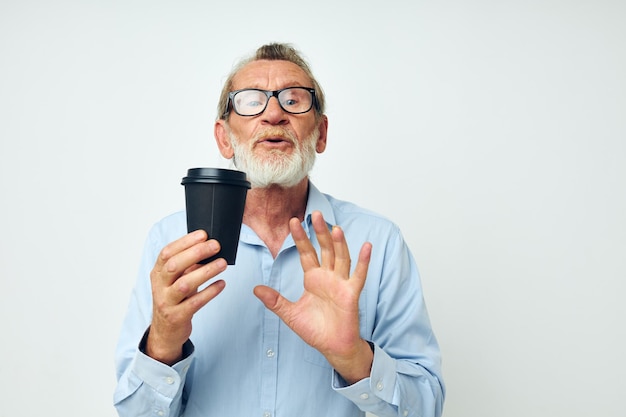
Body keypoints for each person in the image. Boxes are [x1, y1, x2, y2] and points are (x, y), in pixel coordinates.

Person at [114, 42, 445, 417]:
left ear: (320, 134)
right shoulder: (171, 244)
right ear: (224, 138)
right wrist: (162, 343)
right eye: (252, 101)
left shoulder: (379, 243)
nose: (274, 113)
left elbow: (426, 406)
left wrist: (355, 359)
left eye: (293, 99)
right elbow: (136, 412)